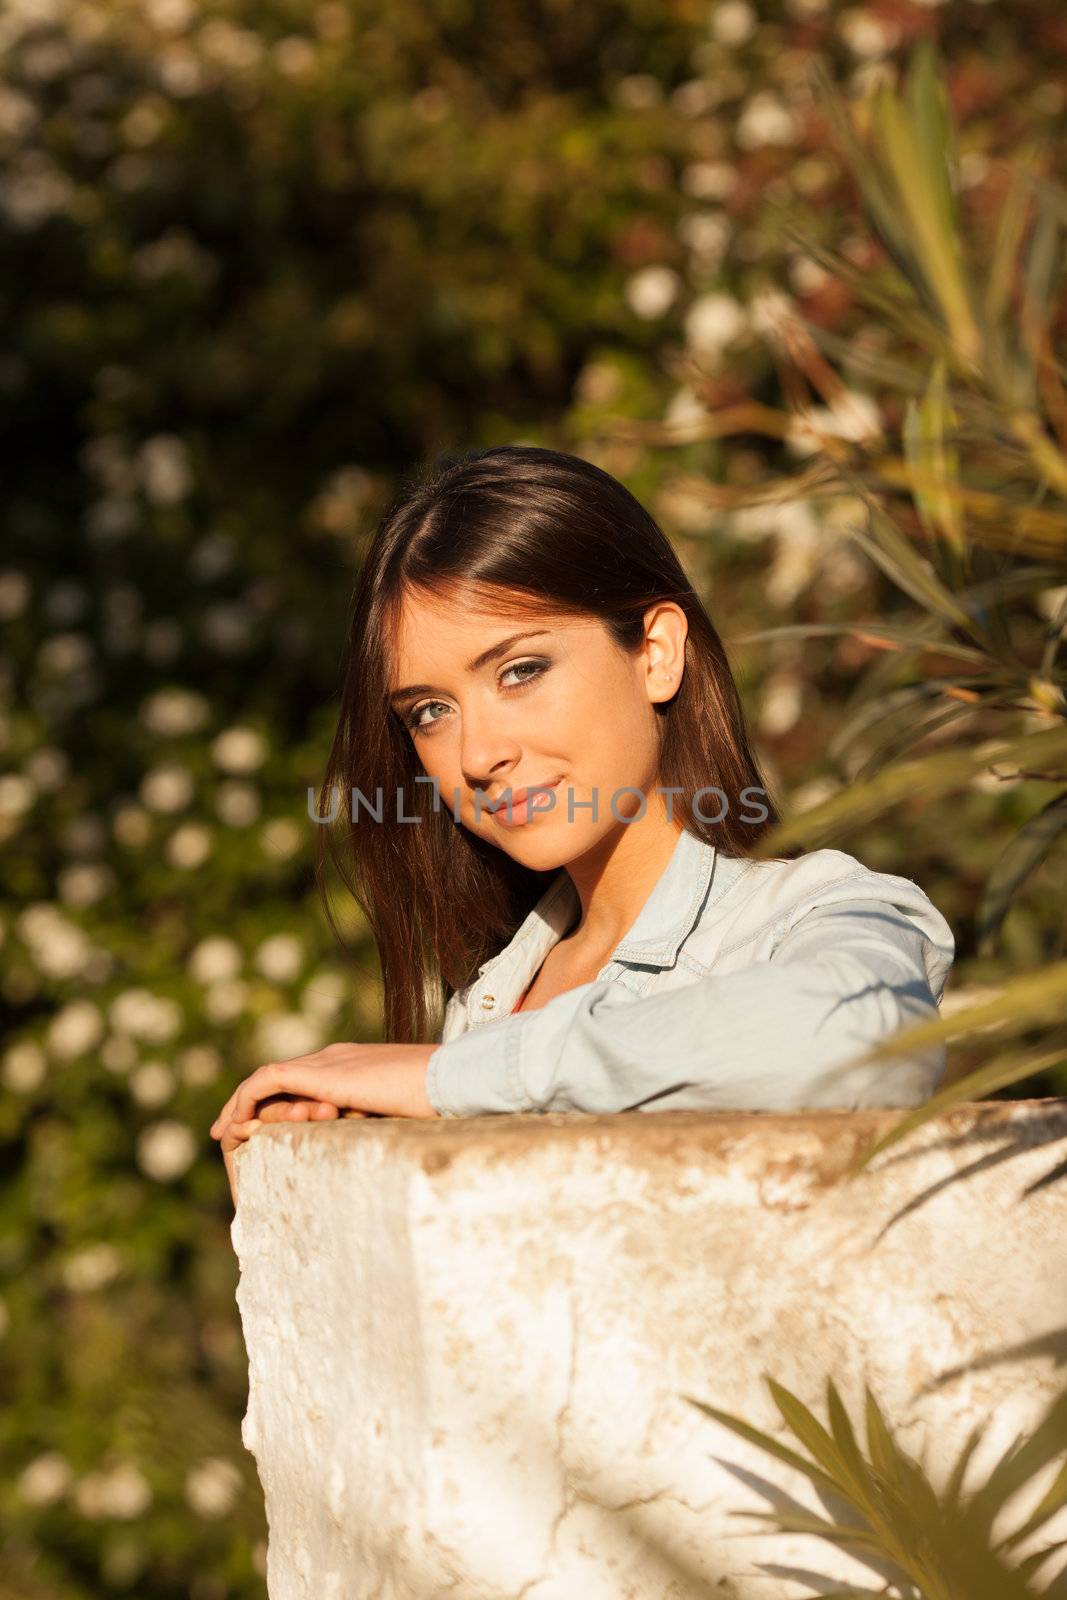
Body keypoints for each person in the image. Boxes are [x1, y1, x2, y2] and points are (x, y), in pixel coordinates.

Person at [211, 445, 955, 1205]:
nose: (479, 754)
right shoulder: (492, 997)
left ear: (656, 655)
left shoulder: (809, 916)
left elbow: (862, 1039)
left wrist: (446, 1079)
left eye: (520, 670)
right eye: (430, 712)